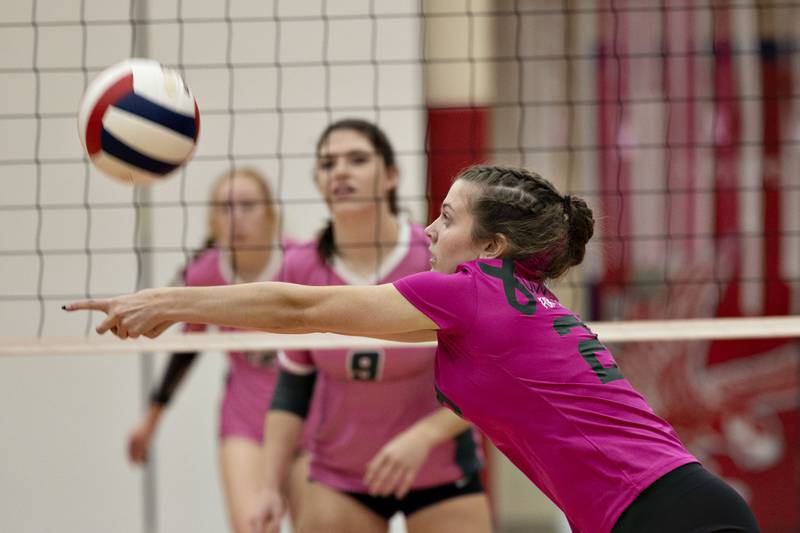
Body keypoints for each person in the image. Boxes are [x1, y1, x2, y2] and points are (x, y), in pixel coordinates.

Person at [65, 164, 760, 533]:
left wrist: (165, 300)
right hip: (669, 506)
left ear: (492, 247)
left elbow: (300, 306)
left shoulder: (474, 291)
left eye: (448, 218)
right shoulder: (517, 301)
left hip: (664, 512)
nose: (428, 229)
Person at [255, 119, 492, 533]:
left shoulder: (435, 255)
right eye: (328, 164)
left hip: (439, 469)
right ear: (318, 180)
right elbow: (291, 391)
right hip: (342, 477)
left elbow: (489, 379)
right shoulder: (303, 265)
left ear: (391, 176)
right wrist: (270, 486)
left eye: (358, 160)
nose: (341, 172)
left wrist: (423, 436)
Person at [124, 168, 307, 533]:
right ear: (212, 219)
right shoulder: (205, 273)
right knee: (253, 527)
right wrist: (150, 422)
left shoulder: (303, 262)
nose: (236, 216)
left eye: (247, 205)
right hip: (245, 418)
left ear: (271, 213)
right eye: (225, 207)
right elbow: (187, 349)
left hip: (309, 417)